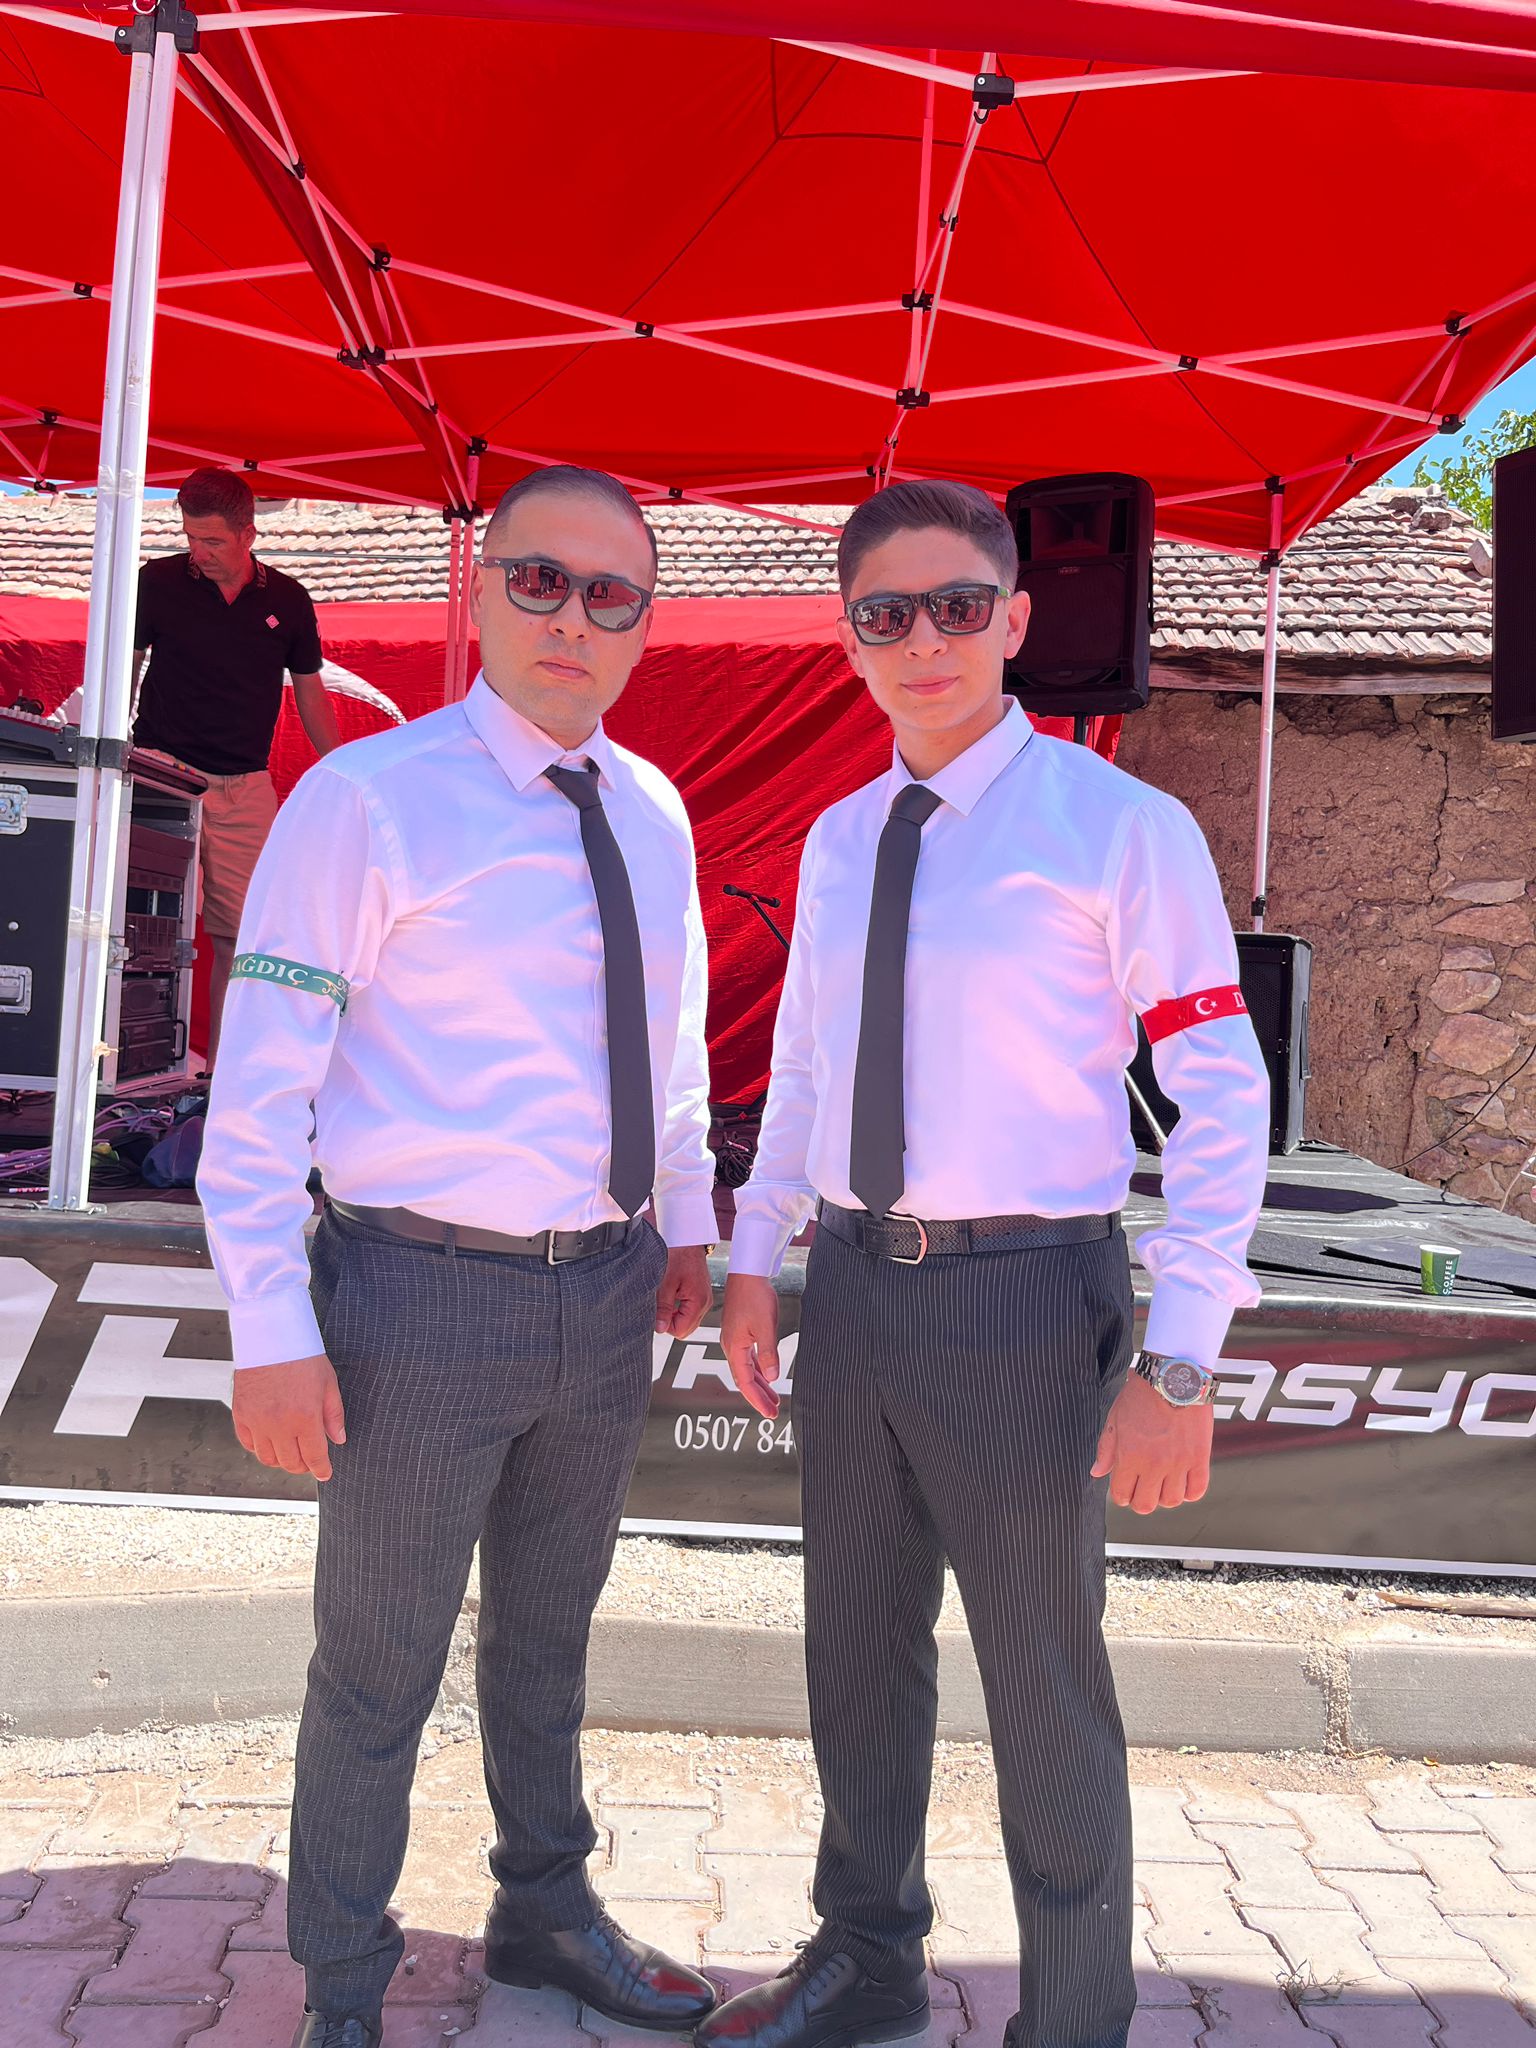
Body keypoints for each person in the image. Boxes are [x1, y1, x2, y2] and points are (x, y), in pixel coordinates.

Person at [707, 481, 1270, 2048]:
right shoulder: (839, 837)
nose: (925, 640)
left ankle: (1074, 2018)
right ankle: (865, 1960)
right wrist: (757, 1258)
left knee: (1040, 1681)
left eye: (958, 606)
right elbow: (803, 1069)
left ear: (1016, 619)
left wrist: (1182, 1359)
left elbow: (1223, 1094)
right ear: (849, 639)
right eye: (885, 614)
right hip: (857, 1291)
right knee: (854, 1652)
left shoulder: (1119, 827)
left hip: (1027, 1298)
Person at [197, 466, 721, 2048]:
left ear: (644, 625)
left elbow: (674, 1038)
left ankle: (544, 1917)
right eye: (540, 580)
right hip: (416, 1301)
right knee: (378, 1669)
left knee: (549, 1643)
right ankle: (343, 1989)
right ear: (479, 591)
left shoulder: (654, 809)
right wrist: (268, 1326)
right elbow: (258, 1086)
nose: (573, 618)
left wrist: (687, 1214)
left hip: (606, 1290)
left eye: (611, 594)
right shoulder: (368, 801)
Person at [133, 467, 341, 1068]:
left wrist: (344, 772)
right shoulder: (157, 581)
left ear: (248, 534)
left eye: (213, 541)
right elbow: (123, 665)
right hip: (161, 774)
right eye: (190, 538)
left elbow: (311, 694)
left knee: (243, 940)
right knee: (138, 930)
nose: (198, 553)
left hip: (244, 787)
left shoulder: (288, 600)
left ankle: (221, 1083)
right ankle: (127, 1069)